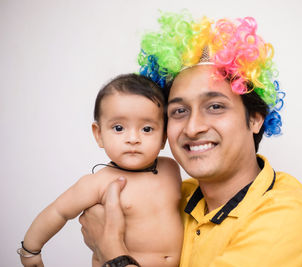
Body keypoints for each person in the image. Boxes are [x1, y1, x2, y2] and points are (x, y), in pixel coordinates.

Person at [79, 12, 302, 267]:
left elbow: (109, 242)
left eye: (215, 107)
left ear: (255, 119)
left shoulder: (290, 219)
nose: (193, 127)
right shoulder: (175, 197)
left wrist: (111, 249)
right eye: (179, 111)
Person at [18, 74, 183, 267]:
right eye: (119, 127)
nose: (133, 138)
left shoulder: (171, 168)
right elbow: (58, 212)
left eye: (147, 129)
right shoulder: (98, 183)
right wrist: (30, 250)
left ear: (163, 136)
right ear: (99, 135)